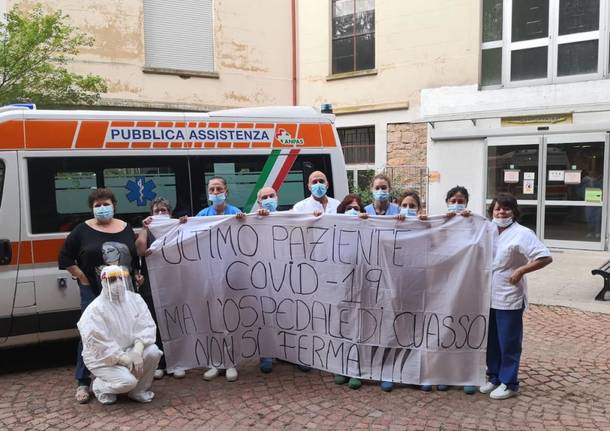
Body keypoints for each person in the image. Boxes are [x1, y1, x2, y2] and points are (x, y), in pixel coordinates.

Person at [58, 188, 141, 404]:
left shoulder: (125, 228)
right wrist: (81, 277)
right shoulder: (81, 230)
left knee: (125, 331)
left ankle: (123, 376)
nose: (102, 208)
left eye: (106, 204)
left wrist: (137, 275)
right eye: (97, 205)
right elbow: (64, 257)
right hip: (93, 291)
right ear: (91, 209)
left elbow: (133, 257)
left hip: (124, 291)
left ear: (114, 205)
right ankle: (83, 382)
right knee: (89, 334)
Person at [480, 193, 552, 400]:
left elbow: (545, 257)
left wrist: (521, 270)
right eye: (497, 208)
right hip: (488, 294)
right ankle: (493, 376)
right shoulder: (487, 230)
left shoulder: (522, 233)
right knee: (491, 340)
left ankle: (509, 382)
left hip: (509, 295)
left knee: (508, 341)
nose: (501, 212)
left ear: (514, 211)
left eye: (506, 208)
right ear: (491, 211)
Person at [77, 265, 162, 405]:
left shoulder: (135, 299)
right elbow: (99, 345)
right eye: (112, 280)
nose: (118, 283)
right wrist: (126, 360)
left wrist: (137, 350)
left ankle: (138, 390)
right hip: (103, 359)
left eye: (120, 278)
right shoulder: (95, 310)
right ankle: (100, 387)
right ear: (104, 282)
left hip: (129, 349)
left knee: (153, 352)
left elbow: (146, 325)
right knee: (128, 382)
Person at [136, 197, 187, 380]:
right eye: (156, 211)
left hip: (174, 283)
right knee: (155, 325)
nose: (160, 214)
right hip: (152, 285)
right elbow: (140, 249)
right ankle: (161, 363)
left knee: (175, 322)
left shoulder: (177, 227)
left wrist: (183, 224)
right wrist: (144, 228)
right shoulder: (147, 231)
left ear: (170, 213)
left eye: (163, 210)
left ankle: (178, 362)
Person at [197, 176, 242, 381]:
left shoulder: (235, 213)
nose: (216, 192)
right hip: (209, 276)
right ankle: (215, 363)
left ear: (226, 191)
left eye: (219, 189)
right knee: (212, 320)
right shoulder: (202, 215)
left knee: (230, 319)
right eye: (212, 189)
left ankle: (231, 362)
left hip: (231, 276)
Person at [333, 194, 367, 390]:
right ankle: (340, 367)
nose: (352, 211)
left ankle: (355, 369)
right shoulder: (334, 229)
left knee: (359, 326)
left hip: (363, 285)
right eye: (348, 208)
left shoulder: (368, 226)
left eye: (356, 208)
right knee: (341, 324)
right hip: (340, 285)